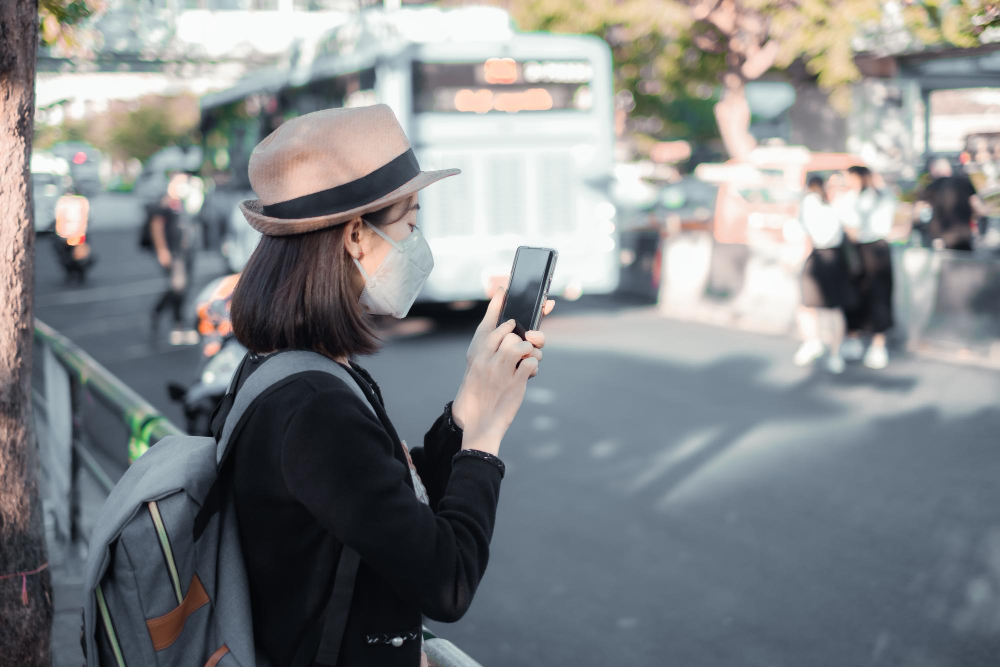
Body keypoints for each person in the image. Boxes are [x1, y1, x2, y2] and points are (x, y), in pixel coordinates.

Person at [222, 104, 554, 667]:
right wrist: (486, 439)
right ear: (356, 235)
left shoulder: (287, 367)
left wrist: (468, 406)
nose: (417, 241)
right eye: (409, 222)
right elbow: (446, 581)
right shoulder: (313, 406)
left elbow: (383, 503)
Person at [791, 176, 856, 374]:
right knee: (833, 310)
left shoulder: (808, 203)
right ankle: (835, 355)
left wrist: (796, 262)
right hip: (836, 259)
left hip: (818, 257)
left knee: (806, 305)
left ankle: (813, 342)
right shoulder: (837, 204)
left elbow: (805, 236)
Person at [835, 166, 896, 370]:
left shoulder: (880, 196)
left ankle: (877, 345)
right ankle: (855, 338)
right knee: (854, 296)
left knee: (878, 297)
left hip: (874, 250)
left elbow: (854, 228)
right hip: (858, 251)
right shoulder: (849, 198)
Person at [149, 172, 198, 344]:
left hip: (186, 253)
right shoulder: (165, 203)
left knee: (181, 287)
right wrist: (162, 250)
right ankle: (178, 324)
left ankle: (159, 311)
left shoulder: (184, 203)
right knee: (178, 287)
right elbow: (156, 227)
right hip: (174, 253)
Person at [918, 157, 987, 251]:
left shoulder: (931, 188)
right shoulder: (964, 182)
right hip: (964, 237)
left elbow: (919, 212)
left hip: (940, 240)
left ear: (933, 171)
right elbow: (977, 208)